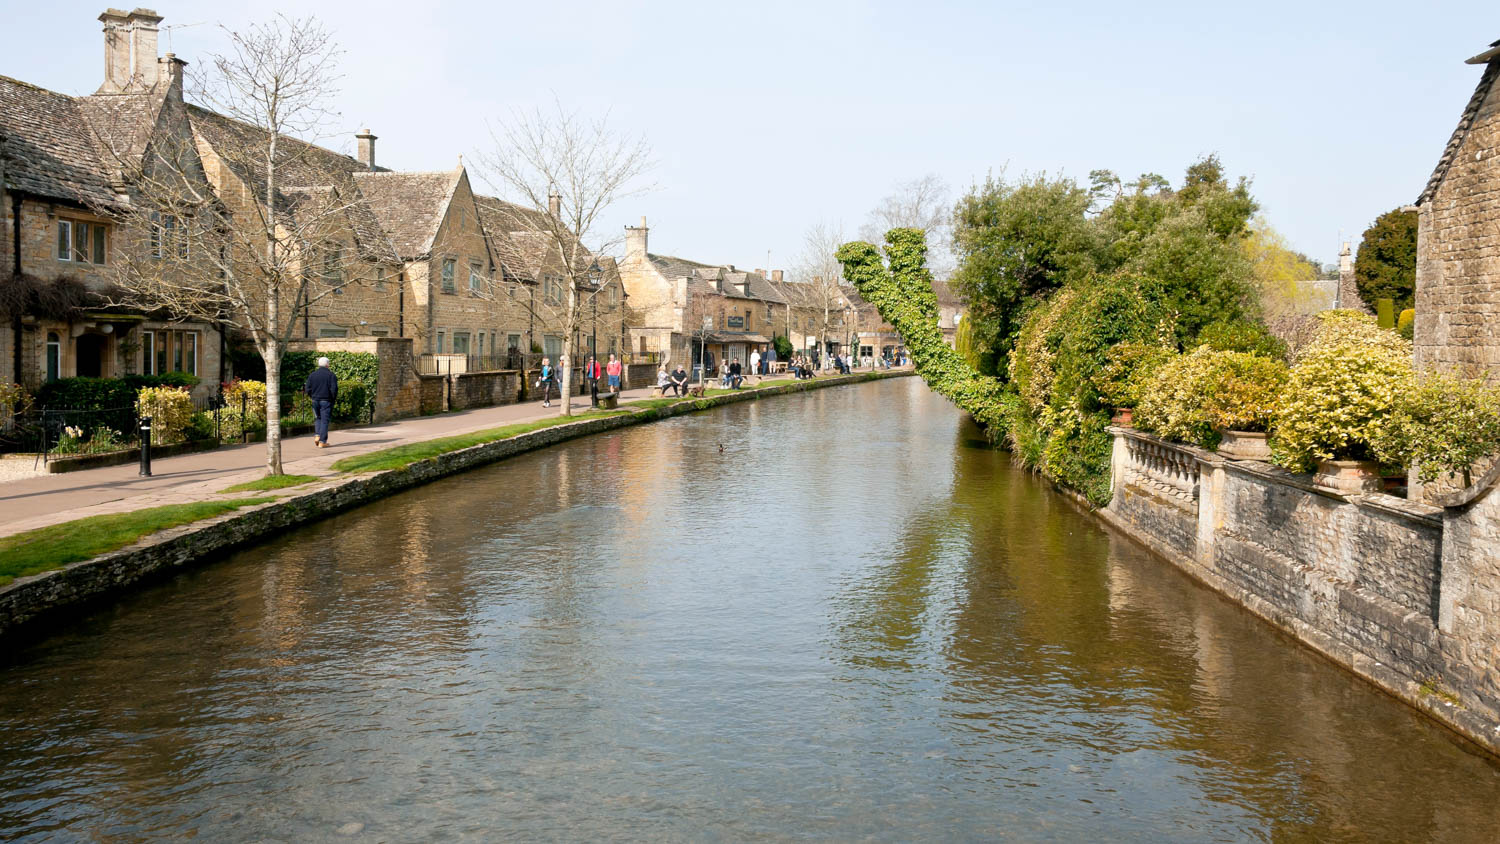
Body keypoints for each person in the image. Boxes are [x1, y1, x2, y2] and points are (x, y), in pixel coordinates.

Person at [305, 357, 338, 448]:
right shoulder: (331, 375)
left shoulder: (312, 375)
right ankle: (322, 441)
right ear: (327, 364)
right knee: (324, 421)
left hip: (315, 400)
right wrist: (332, 399)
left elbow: (307, 389)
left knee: (318, 418)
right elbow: (334, 389)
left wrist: (312, 396)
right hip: (326, 401)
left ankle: (317, 435)